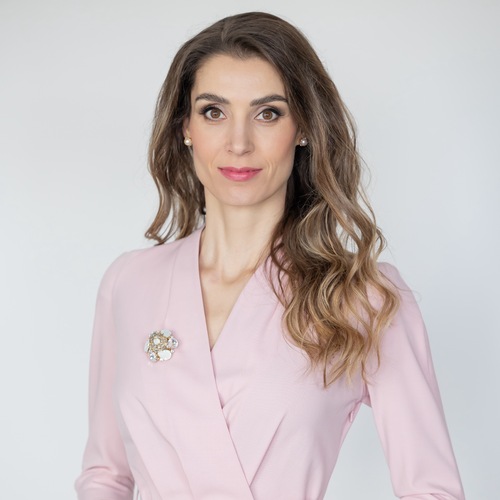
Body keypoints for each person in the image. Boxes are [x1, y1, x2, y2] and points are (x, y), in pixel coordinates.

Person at [75, 11, 465, 500]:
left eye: (268, 114)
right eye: (213, 112)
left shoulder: (362, 298)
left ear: (302, 128)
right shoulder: (129, 283)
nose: (238, 143)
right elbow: (105, 476)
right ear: (185, 127)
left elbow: (432, 490)